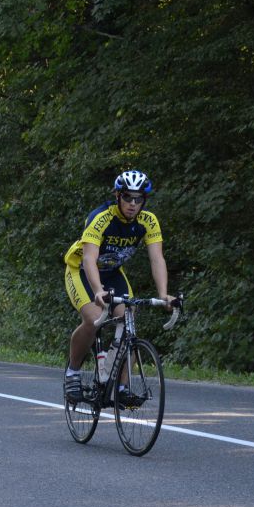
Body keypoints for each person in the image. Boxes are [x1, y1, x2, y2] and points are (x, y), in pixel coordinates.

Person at [62, 170, 174, 403]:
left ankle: (121, 387)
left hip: (112, 273)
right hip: (81, 271)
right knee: (94, 319)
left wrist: (163, 294)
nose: (132, 204)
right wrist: (98, 291)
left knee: (128, 320)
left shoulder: (148, 221)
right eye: (127, 197)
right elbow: (89, 259)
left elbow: (157, 258)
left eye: (138, 199)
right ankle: (73, 372)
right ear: (117, 196)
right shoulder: (101, 217)